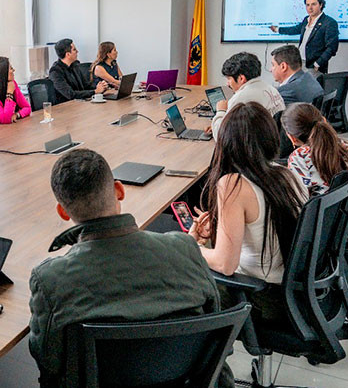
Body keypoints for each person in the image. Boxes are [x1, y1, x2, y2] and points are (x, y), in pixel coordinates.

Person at [29, 148, 234, 388]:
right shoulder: (186, 249)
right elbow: (215, 330)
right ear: (119, 190)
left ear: (63, 212)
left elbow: (49, 361)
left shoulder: (50, 280)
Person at [190, 103, 307, 324]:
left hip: (260, 298)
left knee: (181, 270)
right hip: (291, 293)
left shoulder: (232, 184)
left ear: (227, 143)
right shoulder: (287, 173)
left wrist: (190, 245)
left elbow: (226, 264)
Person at [282, 103, 348, 196]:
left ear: (292, 138)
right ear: (324, 121)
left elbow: (298, 200)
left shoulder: (299, 158)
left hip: (323, 210)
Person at [209, 52, 285, 139]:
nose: (227, 83)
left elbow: (221, 136)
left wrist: (221, 112)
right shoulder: (272, 89)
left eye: (229, 79)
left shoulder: (240, 99)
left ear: (241, 78)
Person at [270, 0, 339, 76]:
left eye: (313, 4)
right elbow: (295, 29)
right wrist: (278, 29)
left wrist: (318, 63)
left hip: (313, 66)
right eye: (307, 5)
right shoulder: (306, 19)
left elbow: (332, 48)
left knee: (312, 88)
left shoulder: (329, 22)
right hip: (299, 63)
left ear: (321, 5)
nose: (310, 8)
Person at [48, 38, 110, 103]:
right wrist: (95, 91)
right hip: (65, 108)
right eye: (74, 50)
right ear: (68, 54)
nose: (77, 51)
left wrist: (100, 86)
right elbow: (70, 94)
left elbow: (86, 86)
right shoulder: (55, 71)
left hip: (79, 104)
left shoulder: (74, 66)